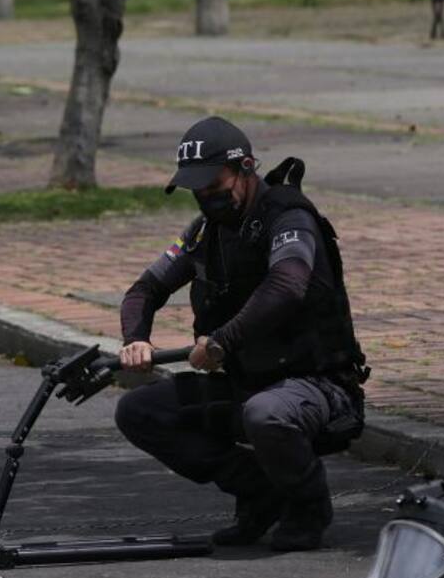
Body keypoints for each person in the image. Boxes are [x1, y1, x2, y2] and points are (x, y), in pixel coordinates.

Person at [113, 116, 368, 552]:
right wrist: (135, 338)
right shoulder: (204, 232)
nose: (207, 196)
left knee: (266, 414)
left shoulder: (289, 218)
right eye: (197, 189)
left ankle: (308, 507)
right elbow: (145, 289)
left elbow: (286, 286)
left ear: (246, 167)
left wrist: (221, 341)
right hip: (246, 382)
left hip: (316, 385)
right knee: (138, 411)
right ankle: (258, 491)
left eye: (214, 184)